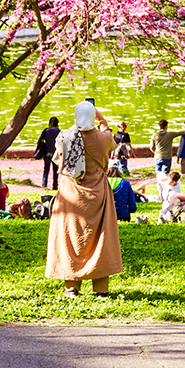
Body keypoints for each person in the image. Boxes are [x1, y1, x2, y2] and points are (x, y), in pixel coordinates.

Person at [49, 101, 122, 297]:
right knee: (101, 239)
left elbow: (58, 158)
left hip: (70, 194)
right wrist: (100, 117)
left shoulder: (65, 136)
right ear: (93, 116)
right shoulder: (103, 138)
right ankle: (101, 290)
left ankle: (71, 286)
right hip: (97, 193)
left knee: (69, 237)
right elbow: (110, 134)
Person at [34, 117, 61, 189]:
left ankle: (44, 185)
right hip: (56, 153)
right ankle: (55, 186)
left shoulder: (46, 131)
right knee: (55, 171)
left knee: (46, 170)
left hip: (47, 153)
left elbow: (40, 140)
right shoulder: (59, 131)